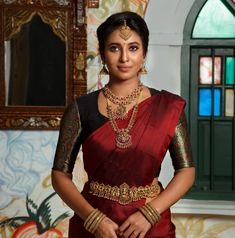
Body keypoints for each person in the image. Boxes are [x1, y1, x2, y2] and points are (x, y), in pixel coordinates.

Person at [51, 11, 195, 238]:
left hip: (150, 225)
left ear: (145, 53)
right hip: (95, 224)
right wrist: (92, 218)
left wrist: (150, 213)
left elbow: (186, 171)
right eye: (115, 48)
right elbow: (60, 174)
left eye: (133, 48)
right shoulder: (81, 108)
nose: (125, 58)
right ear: (102, 53)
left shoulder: (168, 108)